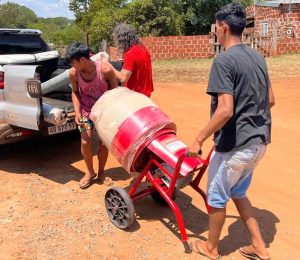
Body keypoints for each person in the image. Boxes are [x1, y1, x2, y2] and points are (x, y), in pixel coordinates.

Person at [188, 3, 275, 260]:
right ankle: (259, 246)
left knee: (216, 195)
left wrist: (198, 139)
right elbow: (269, 99)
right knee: (238, 192)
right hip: (259, 143)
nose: (215, 31)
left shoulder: (223, 60)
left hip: (236, 146)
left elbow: (225, 109)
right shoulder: (257, 57)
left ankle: (211, 248)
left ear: (224, 27)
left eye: (216, 27)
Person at [66, 42, 117, 189]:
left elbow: (115, 91)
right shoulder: (74, 73)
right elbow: (75, 92)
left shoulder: (105, 70)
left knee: (103, 143)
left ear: (82, 60)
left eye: (72, 62)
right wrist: (77, 112)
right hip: (86, 112)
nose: (71, 65)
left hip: (104, 113)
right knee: (85, 142)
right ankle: (90, 172)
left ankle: (101, 173)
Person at [111, 23, 154, 97]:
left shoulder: (130, 54)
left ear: (121, 39)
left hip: (134, 96)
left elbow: (123, 78)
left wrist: (109, 66)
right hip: (145, 94)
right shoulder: (143, 48)